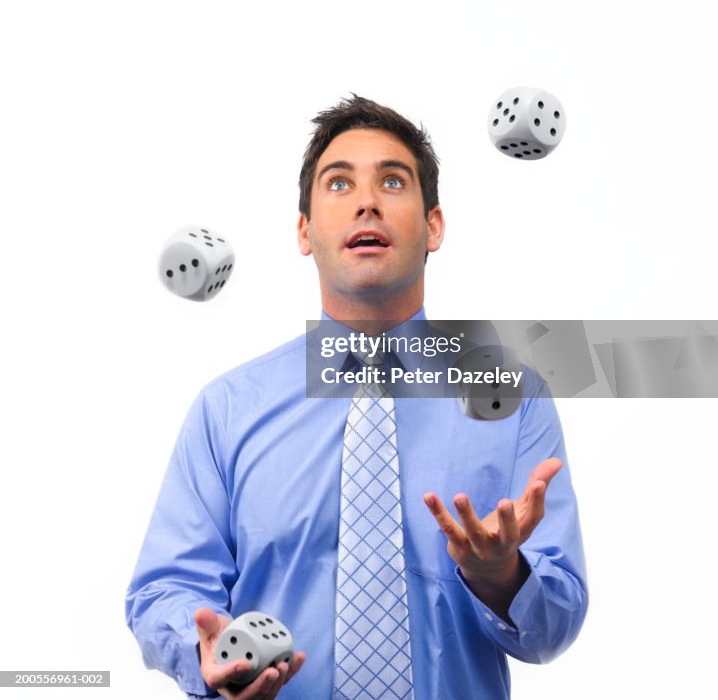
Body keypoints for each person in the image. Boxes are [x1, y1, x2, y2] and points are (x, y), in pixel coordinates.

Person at [126, 94, 588, 699]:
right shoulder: (227, 410)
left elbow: (553, 627)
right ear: (304, 231)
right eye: (338, 184)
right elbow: (164, 591)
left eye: (393, 182)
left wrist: (501, 573)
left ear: (433, 226)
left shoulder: (513, 396)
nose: (367, 201)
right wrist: (203, 650)